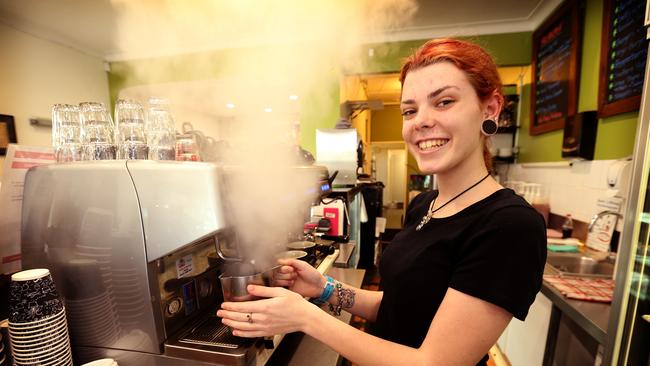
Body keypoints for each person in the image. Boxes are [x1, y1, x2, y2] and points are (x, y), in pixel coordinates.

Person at [217, 38, 547, 366]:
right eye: (409, 110)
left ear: (490, 109)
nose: (421, 121)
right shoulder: (426, 204)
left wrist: (305, 317)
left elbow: (434, 363)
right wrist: (324, 287)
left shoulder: (509, 226)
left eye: (444, 102)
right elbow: (397, 307)